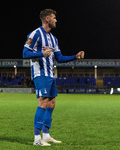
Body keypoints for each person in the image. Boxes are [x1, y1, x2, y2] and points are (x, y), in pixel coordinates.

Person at [23, 9, 85, 146]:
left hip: (51, 74)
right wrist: (41, 54)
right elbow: (25, 53)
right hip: (40, 73)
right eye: (54, 18)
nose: (56, 20)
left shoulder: (53, 38)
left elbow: (60, 58)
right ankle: (36, 139)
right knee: (43, 103)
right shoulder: (35, 34)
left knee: (51, 104)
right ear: (47, 19)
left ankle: (46, 135)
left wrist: (75, 56)